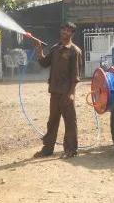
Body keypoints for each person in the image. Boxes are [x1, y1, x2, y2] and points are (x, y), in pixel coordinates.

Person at [32, 22, 82, 159]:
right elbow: (44, 63)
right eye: (63, 30)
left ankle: (71, 150)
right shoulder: (55, 49)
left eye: (68, 31)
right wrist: (39, 50)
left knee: (70, 122)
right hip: (54, 91)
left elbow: (75, 76)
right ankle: (47, 149)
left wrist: (71, 93)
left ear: (72, 34)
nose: (65, 32)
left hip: (66, 93)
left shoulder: (74, 51)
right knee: (52, 121)